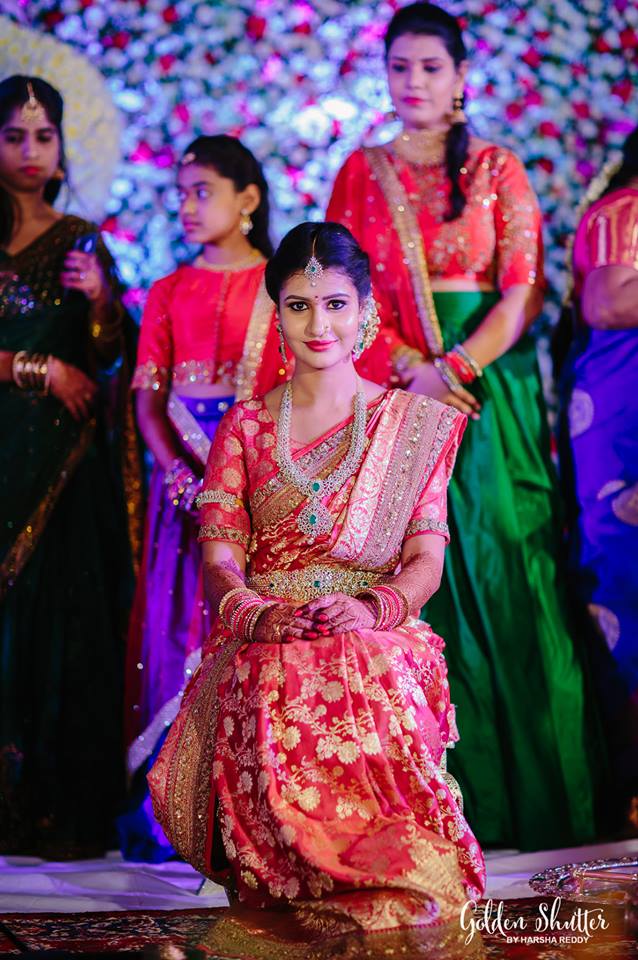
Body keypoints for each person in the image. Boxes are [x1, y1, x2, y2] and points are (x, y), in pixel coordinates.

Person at [148, 222, 485, 955]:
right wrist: (258, 614)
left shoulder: (413, 424)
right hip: (268, 629)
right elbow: (219, 558)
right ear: (277, 315)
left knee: (369, 664)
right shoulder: (243, 426)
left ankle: (387, 868)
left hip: (376, 626)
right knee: (274, 676)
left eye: (335, 303)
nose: (318, 323)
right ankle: (290, 872)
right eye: (298, 305)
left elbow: (426, 559)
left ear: (365, 310)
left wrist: (372, 608)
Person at [327, 2, 599, 850]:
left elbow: (521, 288)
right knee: (415, 574)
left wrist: (453, 369)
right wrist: (411, 366)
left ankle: (541, 798)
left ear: (459, 79)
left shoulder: (496, 167)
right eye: (398, 67)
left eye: (429, 68)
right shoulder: (358, 171)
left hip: (489, 394)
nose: (412, 83)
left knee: (509, 567)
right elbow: (341, 287)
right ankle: (435, 808)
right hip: (395, 391)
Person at [121, 136, 287, 860]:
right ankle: (174, 815)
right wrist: (182, 477)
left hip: (257, 481)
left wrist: (250, 480)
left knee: (249, 626)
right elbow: (149, 403)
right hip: (182, 487)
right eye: (180, 192)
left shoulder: (283, 286)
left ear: (247, 198)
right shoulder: (168, 289)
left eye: (201, 191)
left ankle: (254, 806)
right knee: (176, 629)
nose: (187, 206)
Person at [0, 75, 140, 857]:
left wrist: (98, 306)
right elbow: (59, 369)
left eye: (43, 136)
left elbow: (113, 360)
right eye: (15, 136)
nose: (30, 151)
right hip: (5, 453)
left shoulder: (82, 237)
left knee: (61, 631)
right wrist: (37, 369)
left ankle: (54, 814)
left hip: (63, 472)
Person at [557, 126, 638, 832]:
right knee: (623, 587)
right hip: (622, 419)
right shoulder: (623, 211)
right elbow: (608, 303)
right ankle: (627, 789)